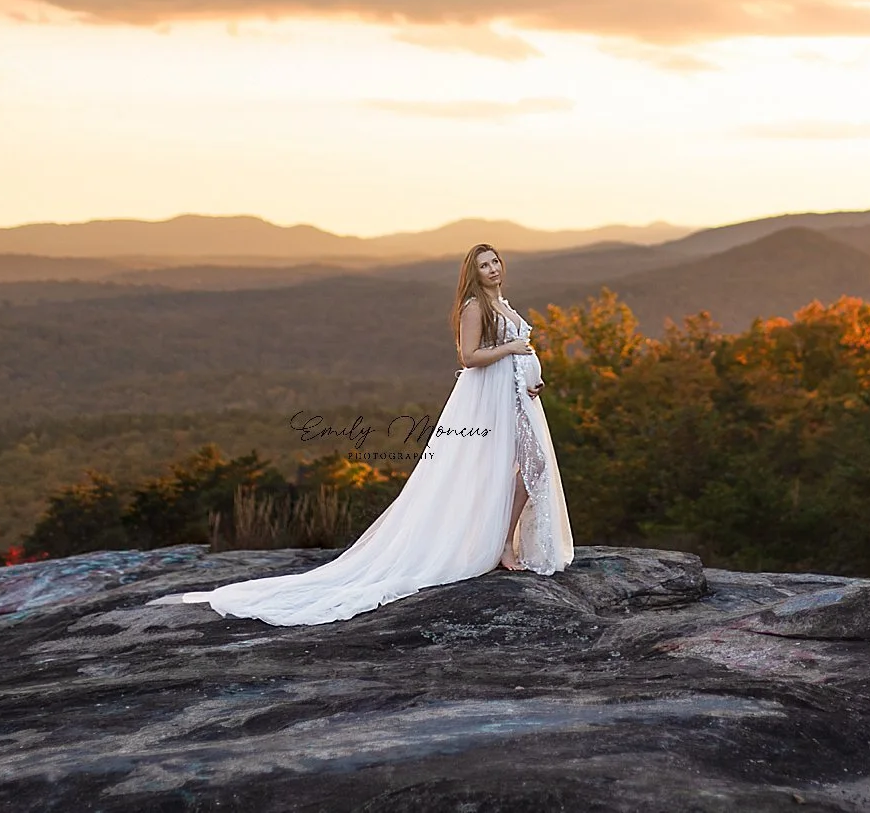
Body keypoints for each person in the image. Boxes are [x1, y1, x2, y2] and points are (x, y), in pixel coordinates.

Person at [152, 243, 574, 625]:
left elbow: (514, 354)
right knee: (509, 468)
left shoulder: (503, 303)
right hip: (488, 399)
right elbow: (468, 355)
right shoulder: (473, 307)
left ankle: (503, 542)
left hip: (515, 398)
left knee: (530, 467)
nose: (492, 269)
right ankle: (502, 546)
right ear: (473, 272)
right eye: (483, 265)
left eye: (495, 261)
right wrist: (510, 351)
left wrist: (529, 378)